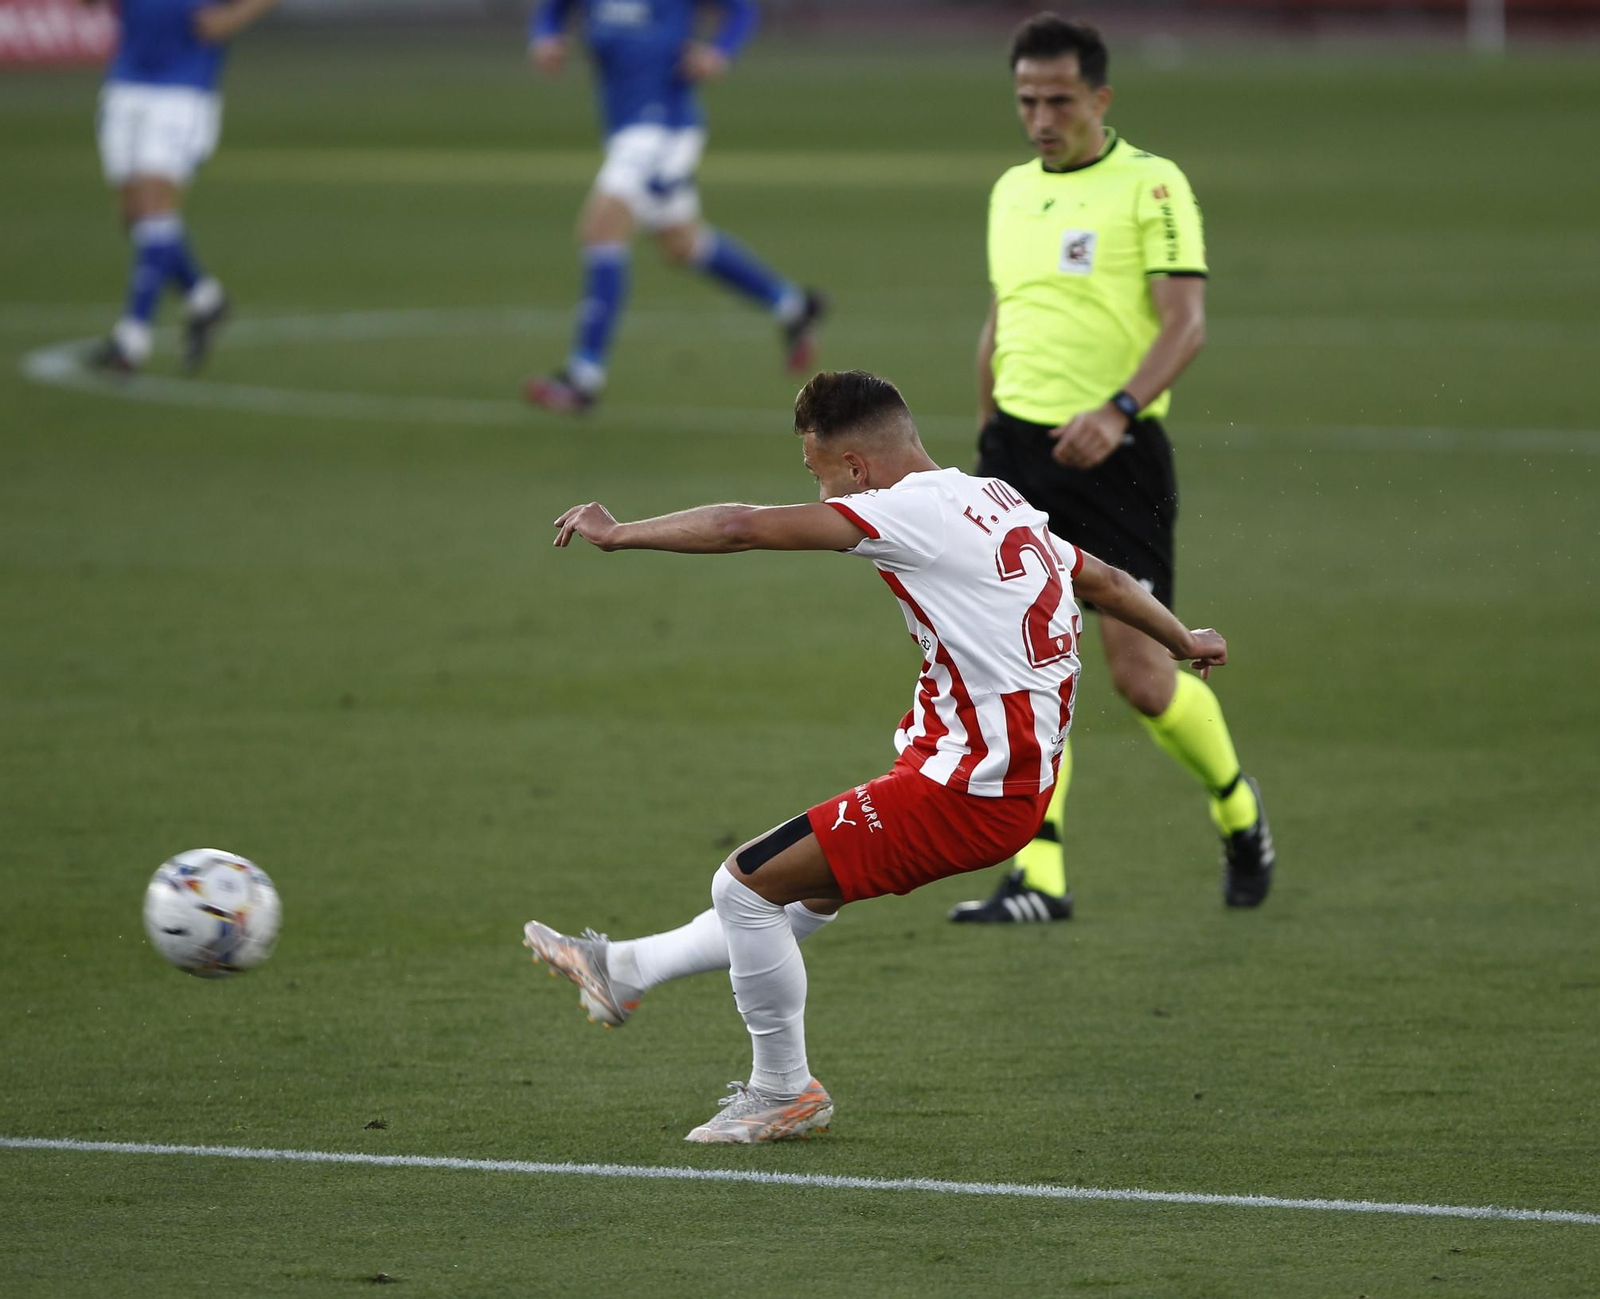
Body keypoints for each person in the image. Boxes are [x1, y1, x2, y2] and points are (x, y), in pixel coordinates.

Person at [527, 370, 1229, 1142]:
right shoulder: (993, 497)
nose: (818, 486)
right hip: (980, 774)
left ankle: (783, 1091)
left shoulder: (901, 511)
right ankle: (621, 970)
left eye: (816, 470)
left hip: (968, 791)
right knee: (801, 896)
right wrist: (1183, 638)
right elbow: (1107, 576)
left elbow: (741, 525)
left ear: (855, 466)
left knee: (745, 886)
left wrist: (620, 530)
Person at [949, 14, 1273, 925]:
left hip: (1119, 458)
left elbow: (1186, 325)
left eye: (1057, 99)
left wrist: (1118, 408)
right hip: (1015, 453)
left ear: (1099, 98)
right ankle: (1040, 878)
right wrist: (988, 434)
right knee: (1017, 664)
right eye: (1026, 100)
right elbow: (1004, 317)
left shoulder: (1152, 186)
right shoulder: (1010, 191)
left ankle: (1239, 812)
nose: (1041, 117)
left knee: (1140, 673)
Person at [523, 0, 825, 413]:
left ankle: (583, 376)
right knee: (682, 243)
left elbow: (741, 9)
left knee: (600, 230)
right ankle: (793, 306)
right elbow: (553, 9)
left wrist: (720, 51)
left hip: (663, 128)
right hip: (627, 129)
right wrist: (545, 37)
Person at [85, 0, 279, 374]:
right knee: (135, 218)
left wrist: (234, 16)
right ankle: (205, 301)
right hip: (127, 78)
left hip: (182, 88)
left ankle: (131, 341)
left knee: (155, 209)